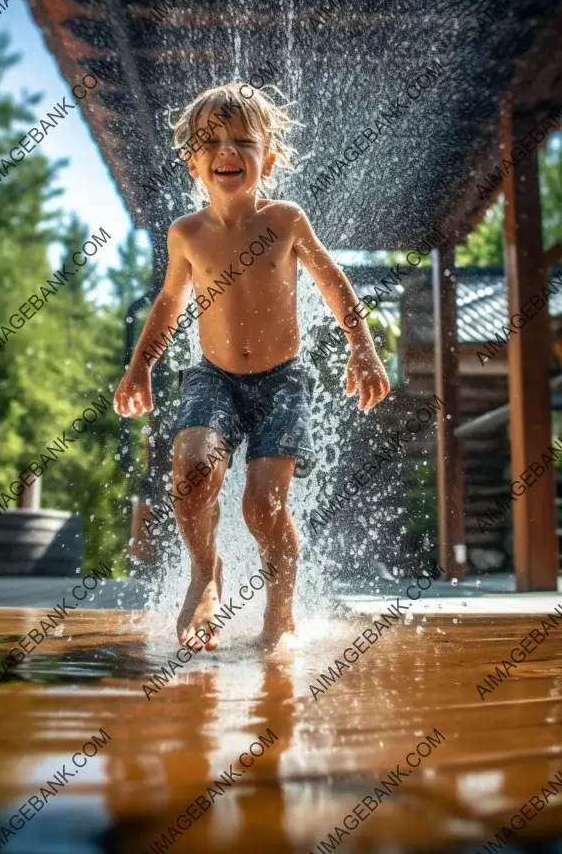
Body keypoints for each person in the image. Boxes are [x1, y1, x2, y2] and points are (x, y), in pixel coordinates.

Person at [113, 82, 390, 651]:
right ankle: (205, 572)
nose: (228, 151)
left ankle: (281, 611)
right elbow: (169, 305)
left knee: (263, 506)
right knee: (191, 473)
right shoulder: (188, 234)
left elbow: (333, 283)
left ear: (269, 156)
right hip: (213, 377)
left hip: (282, 381)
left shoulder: (285, 221)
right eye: (211, 141)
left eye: (243, 139)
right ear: (193, 161)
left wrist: (361, 345)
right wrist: (140, 366)